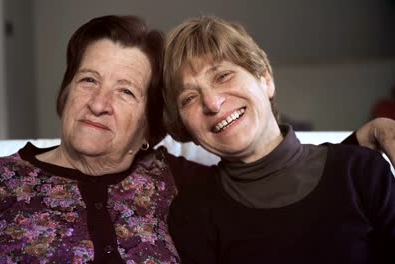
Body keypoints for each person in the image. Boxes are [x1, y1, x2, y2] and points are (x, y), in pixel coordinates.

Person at [0, 14, 394, 264]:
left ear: (150, 126)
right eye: (88, 80)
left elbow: (271, 174)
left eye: (125, 90)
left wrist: (364, 141)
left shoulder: (174, 181)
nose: (99, 102)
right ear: (66, 90)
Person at [164, 16, 395, 263]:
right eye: (189, 98)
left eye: (223, 76)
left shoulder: (361, 171)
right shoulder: (192, 214)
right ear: (186, 128)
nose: (211, 102)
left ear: (265, 80)